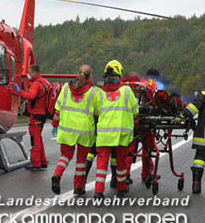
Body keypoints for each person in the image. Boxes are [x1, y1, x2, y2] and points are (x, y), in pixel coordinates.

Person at [50, 65, 99, 195]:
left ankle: (57, 175)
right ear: (90, 76)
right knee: (81, 161)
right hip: (84, 131)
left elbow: (58, 108)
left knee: (65, 156)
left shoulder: (66, 87)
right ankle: (78, 187)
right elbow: (99, 112)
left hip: (67, 130)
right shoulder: (93, 92)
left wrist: (55, 123)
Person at [94, 60, 139, 199]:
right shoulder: (126, 91)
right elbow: (135, 111)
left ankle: (98, 192)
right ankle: (121, 189)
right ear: (119, 75)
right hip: (121, 134)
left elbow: (95, 112)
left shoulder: (99, 92)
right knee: (121, 162)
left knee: (102, 164)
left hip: (104, 134)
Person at [15, 64, 51, 170]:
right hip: (42, 114)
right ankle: (43, 161)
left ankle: (36, 163)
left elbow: (30, 96)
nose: (28, 74)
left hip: (36, 115)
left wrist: (19, 91)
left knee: (35, 139)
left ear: (35, 72)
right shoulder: (45, 82)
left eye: (30, 72)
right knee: (38, 138)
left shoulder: (36, 84)